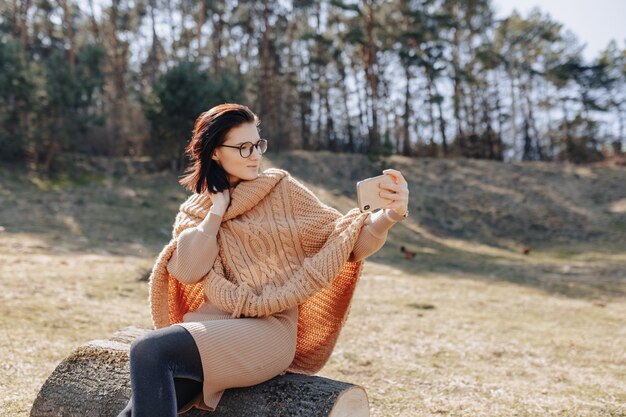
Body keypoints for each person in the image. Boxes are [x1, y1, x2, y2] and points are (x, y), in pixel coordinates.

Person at [117, 103, 409, 416]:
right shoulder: (195, 211)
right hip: (213, 325)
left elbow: (345, 240)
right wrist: (217, 210)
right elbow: (189, 270)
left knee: (148, 350)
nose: (255, 155)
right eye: (243, 148)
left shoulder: (281, 190)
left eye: (258, 144)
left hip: (268, 332)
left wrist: (388, 216)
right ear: (215, 152)